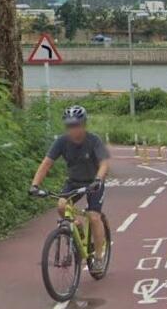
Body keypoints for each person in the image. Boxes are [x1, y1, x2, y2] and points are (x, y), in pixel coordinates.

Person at [30, 105, 110, 272]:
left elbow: (104, 164)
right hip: (74, 182)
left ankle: (99, 257)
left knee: (94, 217)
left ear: (84, 124)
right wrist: (35, 185)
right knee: (61, 206)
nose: (73, 130)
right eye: (69, 126)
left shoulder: (93, 140)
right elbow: (46, 164)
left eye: (76, 125)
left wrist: (98, 180)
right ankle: (77, 227)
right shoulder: (61, 142)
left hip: (93, 183)